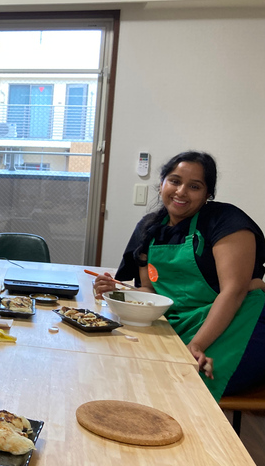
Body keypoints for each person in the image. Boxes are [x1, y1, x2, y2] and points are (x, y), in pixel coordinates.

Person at [94, 151, 265, 401]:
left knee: (180, 384)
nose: (181, 191)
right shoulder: (149, 228)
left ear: (208, 194)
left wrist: (196, 345)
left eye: (194, 186)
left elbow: (234, 292)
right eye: (174, 181)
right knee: (131, 369)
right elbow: (151, 293)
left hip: (239, 323)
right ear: (162, 183)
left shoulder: (227, 221)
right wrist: (116, 291)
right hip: (181, 321)